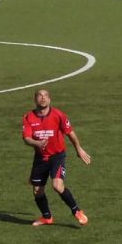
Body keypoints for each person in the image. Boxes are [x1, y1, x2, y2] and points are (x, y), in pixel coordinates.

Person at [22, 89, 92, 227]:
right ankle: (47, 217)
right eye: (39, 96)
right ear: (35, 99)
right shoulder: (28, 117)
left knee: (57, 185)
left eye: (45, 96)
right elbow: (26, 138)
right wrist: (37, 143)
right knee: (37, 190)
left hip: (57, 156)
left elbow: (70, 133)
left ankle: (77, 211)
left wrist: (79, 149)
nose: (43, 98)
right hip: (40, 157)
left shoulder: (58, 115)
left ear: (49, 99)